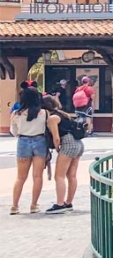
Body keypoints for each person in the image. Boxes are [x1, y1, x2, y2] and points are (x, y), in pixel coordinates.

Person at [41, 96, 84, 214]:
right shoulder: (64, 114)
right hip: (78, 143)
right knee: (72, 175)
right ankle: (68, 202)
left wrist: (57, 148)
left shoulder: (52, 118)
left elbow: (56, 137)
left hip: (68, 143)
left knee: (59, 176)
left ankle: (60, 204)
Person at [9, 86, 47, 215]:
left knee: (20, 177)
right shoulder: (44, 113)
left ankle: (14, 206)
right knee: (37, 176)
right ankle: (34, 204)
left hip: (23, 142)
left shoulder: (16, 113)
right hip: (40, 142)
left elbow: (13, 131)